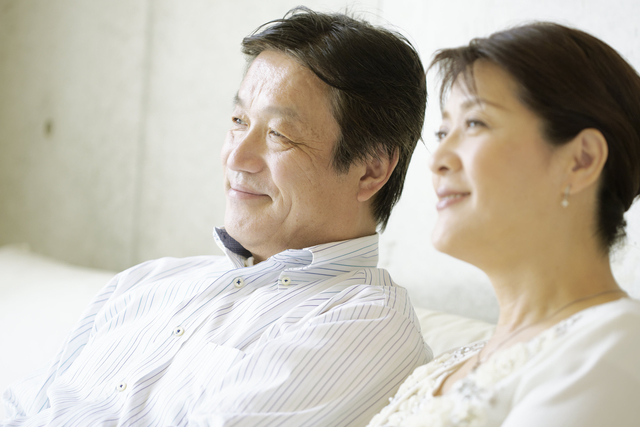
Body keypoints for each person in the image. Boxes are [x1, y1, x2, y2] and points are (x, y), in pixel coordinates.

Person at [2, 7, 430, 427]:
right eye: (239, 120)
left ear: (371, 169)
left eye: (278, 134)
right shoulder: (148, 283)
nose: (236, 157)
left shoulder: (365, 321)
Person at [368, 22, 640, 427]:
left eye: (474, 124)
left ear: (581, 159)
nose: (437, 159)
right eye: (442, 132)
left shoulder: (615, 348)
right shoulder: (451, 364)